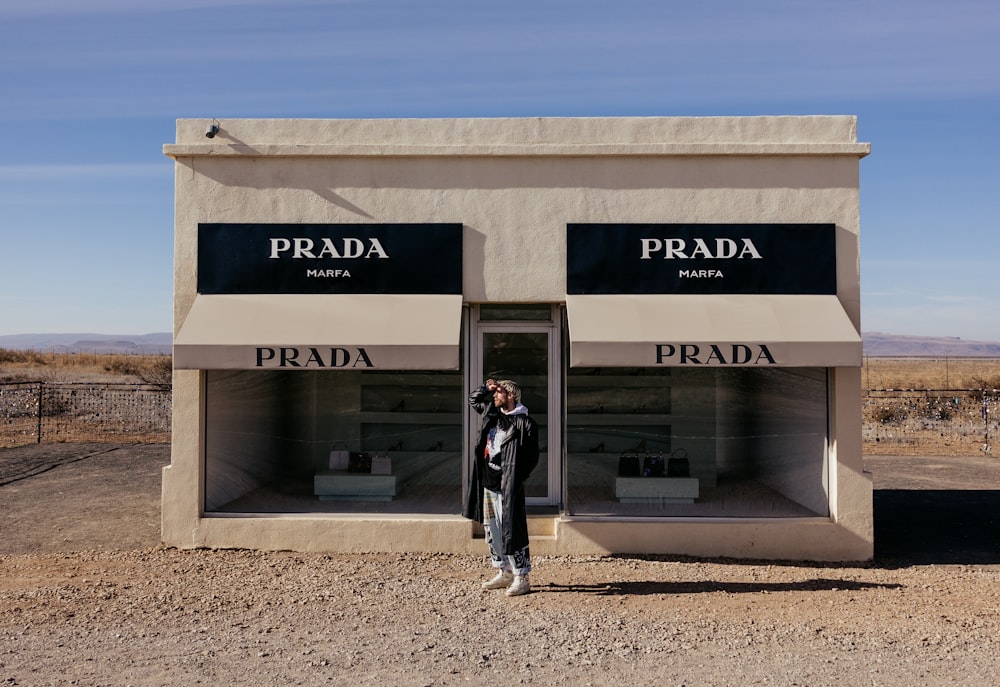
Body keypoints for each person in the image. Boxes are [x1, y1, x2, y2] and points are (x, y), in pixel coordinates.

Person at [464, 378, 540, 597]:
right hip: (487, 483)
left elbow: (532, 458)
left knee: (512, 530)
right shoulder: (493, 414)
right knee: (492, 530)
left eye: (499, 393)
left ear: (511, 396)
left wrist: (516, 478)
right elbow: (473, 399)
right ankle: (503, 571)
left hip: (507, 487)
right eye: (495, 393)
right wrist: (487, 388)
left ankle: (522, 576)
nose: (495, 396)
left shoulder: (525, 423)